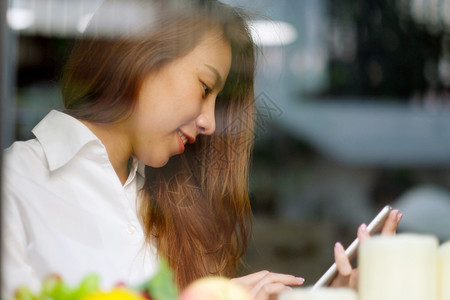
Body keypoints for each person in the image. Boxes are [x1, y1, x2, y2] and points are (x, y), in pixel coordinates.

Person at [2, 0, 401, 299]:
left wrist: (336, 296)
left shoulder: (167, 204)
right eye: (205, 88)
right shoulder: (17, 183)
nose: (209, 123)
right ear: (141, 57)